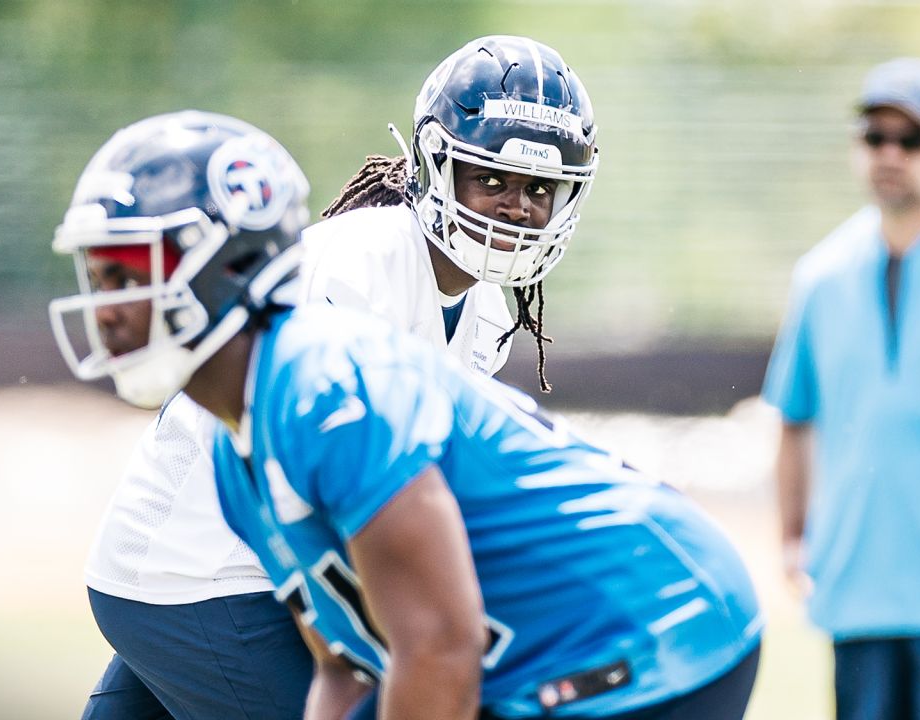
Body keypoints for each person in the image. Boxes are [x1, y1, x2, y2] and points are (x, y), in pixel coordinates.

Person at [49, 109, 762, 719]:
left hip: (654, 625)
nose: (107, 309)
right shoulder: (249, 453)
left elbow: (437, 641)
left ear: (229, 267)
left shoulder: (320, 395)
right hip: (549, 607)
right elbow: (346, 659)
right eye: (103, 277)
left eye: (130, 276)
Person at [59, 35, 600, 719]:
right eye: (490, 179)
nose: (517, 206)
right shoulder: (355, 264)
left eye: (538, 189)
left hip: (213, 574)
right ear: (436, 164)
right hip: (213, 572)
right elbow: (324, 474)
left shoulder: (486, 306)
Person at [763, 57, 920, 720]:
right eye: (874, 137)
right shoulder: (821, 276)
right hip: (858, 590)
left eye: (909, 139)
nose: (889, 154)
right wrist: (794, 537)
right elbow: (795, 418)